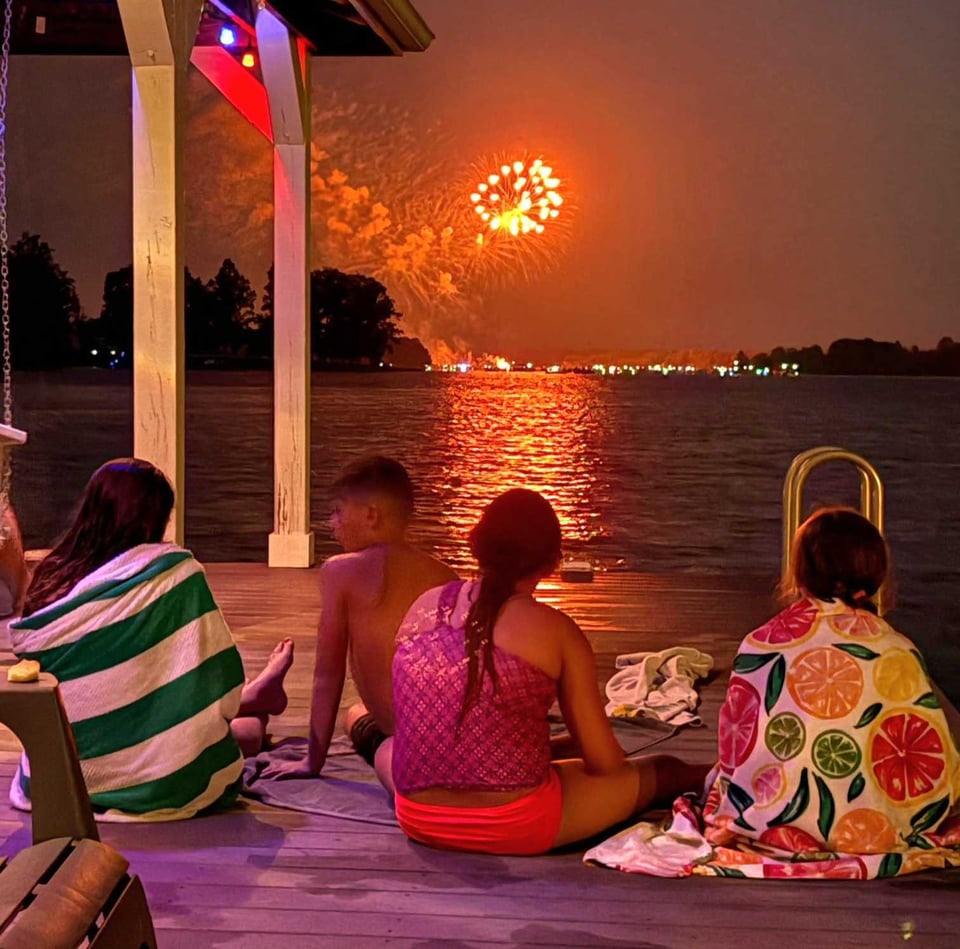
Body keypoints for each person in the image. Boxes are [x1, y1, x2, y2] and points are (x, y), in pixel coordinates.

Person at [588, 506, 960, 878]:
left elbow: (737, 749)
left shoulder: (762, 644)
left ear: (799, 573)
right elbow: (929, 751)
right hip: (876, 824)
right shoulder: (898, 648)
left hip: (775, 820)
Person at [390, 488, 708, 855]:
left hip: (417, 815)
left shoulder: (425, 605)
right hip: (515, 822)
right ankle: (743, 778)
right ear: (552, 561)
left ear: (477, 544)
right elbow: (606, 764)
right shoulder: (555, 630)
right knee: (664, 771)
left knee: (566, 748)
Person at [9, 458, 294, 821]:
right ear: (156, 517)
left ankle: (253, 697)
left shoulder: (52, 574)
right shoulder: (175, 572)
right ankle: (254, 699)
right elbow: (212, 678)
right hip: (156, 781)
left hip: (62, 776)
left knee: (189, 718)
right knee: (248, 733)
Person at [264, 455, 455, 787]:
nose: (332, 523)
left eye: (338, 511)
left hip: (407, 742)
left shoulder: (342, 571)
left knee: (358, 717)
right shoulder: (446, 575)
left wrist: (313, 759)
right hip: (449, 731)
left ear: (371, 514)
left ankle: (390, 750)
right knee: (357, 712)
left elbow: (328, 675)